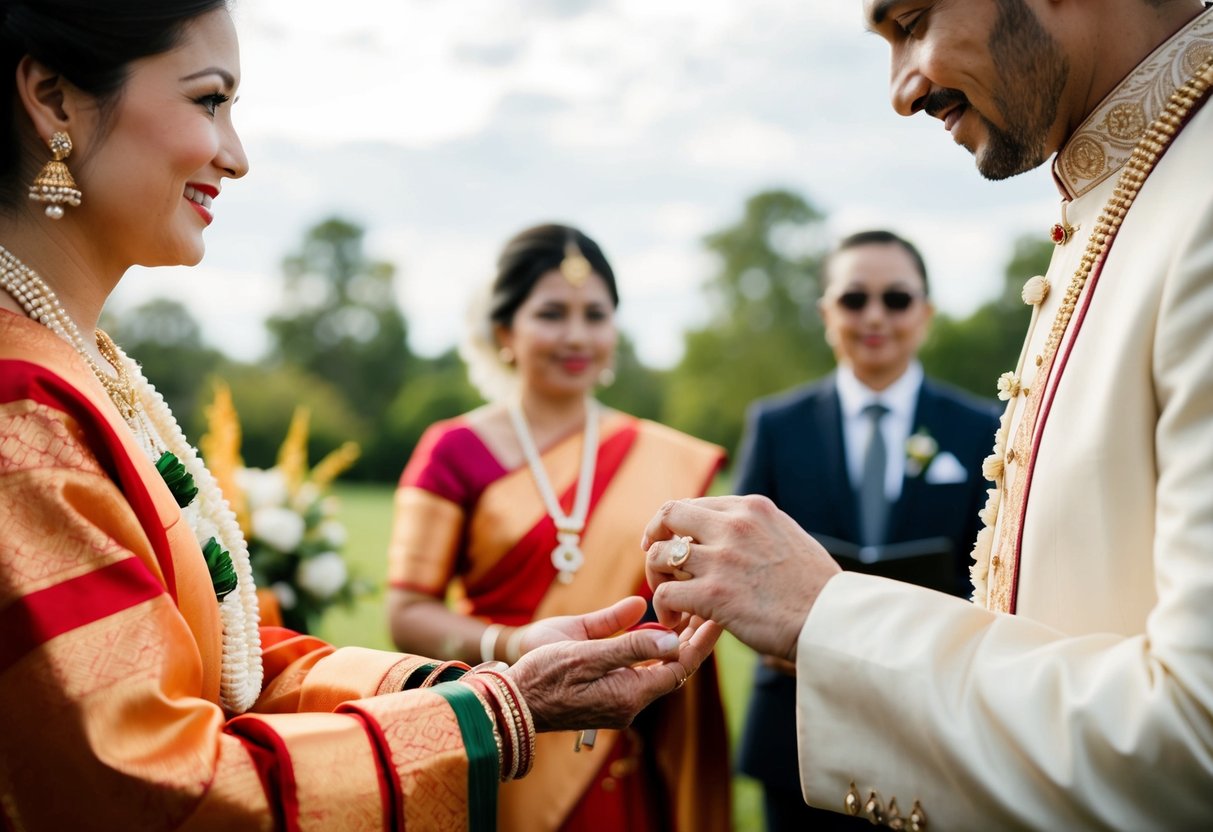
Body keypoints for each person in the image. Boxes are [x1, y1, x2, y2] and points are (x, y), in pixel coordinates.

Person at [0, 3, 718, 829]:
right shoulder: (21, 405)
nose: (235, 156)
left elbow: (224, 665)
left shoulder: (84, 368)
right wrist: (499, 708)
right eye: (208, 101)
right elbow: (143, 783)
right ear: (53, 99)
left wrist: (495, 673)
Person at [645, 0, 1213, 828]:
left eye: (911, 20)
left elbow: (1192, 745)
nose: (900, 92)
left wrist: (824, 615)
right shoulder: (1134, 187)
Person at [385, 222, 731, 832]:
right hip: (494, 729)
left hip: (618, 752)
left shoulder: (660, 455)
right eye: (551, 313)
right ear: (504, 331)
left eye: (595, 315)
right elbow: (407, 612)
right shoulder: (453, 450)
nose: (576, 336)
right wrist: (512, 646)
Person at [735, 230, 999, 832]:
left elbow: (997, 569)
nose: (875, 316)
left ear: (925, 314)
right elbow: (739, 561)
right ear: (828, 312)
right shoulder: (777, 425)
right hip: (795, 723)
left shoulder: (982, 425)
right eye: (854, 300)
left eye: (897, 299)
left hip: (931, 719)